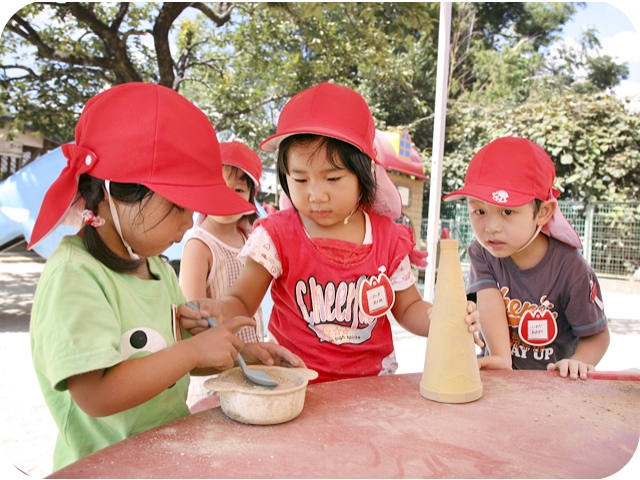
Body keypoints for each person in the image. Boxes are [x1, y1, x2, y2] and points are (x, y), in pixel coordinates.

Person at [28, 83, 303, 471]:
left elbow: (172, 363)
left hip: (166, 459)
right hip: (104, 468)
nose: (188, 222)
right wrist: (192, 350)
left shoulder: (155, 266)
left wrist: (239, 356)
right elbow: (96, 395)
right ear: (115, 192)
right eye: (177, 206)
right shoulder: (76, 276)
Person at [181, 82, 480, 383]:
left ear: (363, 175)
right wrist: (220, 309)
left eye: (333, 178)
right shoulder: (275, 237)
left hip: (371, 387)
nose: (316, 195)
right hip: (297, 386)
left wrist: (441, 316)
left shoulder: (388, 238)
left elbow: (409, 308)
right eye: (300, 179)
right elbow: (243, 302)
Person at [443, 136, 610, 379]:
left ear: (543, 211)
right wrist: (501, 358)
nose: (491, 227)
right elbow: (489, 301)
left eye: (507, 211)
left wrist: (577, 363)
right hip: (501, 381)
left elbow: (598, 336)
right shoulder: (483, 252)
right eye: (479, 211)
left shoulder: (571, 268)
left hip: (553, 388)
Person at [179, 140, 265, 406]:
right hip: (214, 374)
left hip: (251, 366)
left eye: (238, 189)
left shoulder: (252, 240)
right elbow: (192, 318)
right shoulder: (199, 245)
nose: (227, 195)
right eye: (218, 186)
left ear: (251, 196)